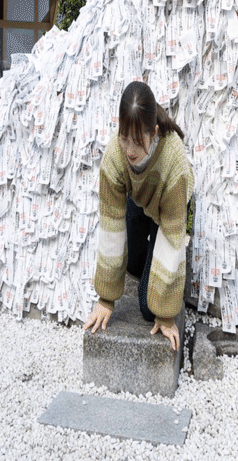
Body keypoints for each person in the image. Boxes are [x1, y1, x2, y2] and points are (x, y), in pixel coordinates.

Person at [82, 81, 194, 351]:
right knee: (131, 264)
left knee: (149, 308)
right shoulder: (114, 155)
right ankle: (144, 264)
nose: (129, 150)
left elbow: (172, 232)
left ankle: (158, 275)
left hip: (171, 210)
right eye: (124, 138)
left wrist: (166, 314)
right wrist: (106, 298)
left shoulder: (174, 161)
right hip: (142, 199)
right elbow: (111, 223)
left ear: (154, 132)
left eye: (138, 141)